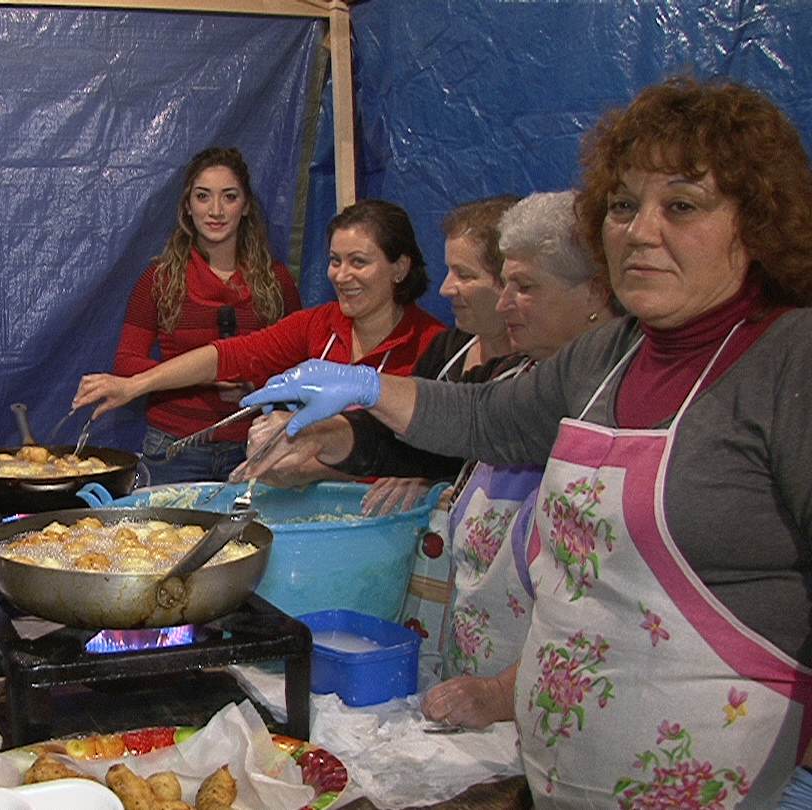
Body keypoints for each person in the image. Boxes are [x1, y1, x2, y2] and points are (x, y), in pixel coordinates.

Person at [241, 77, 812, 807]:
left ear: (757, 220)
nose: (640, 231)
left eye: (682, 205)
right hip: (563, 774)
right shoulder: (612, 355)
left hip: (722, 782)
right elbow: (485, 420)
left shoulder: (788, 359)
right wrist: (366, 391)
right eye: (623, 205)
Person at [248, 191, 619, 725]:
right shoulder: (518, 378)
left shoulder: (605, 392)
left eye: (524, 286)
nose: (504, 300)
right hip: (487, 660)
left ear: (596, 292)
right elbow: (460, 421)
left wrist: (501, 693)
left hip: (564, 693)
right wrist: (328, 436)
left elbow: (595, 601)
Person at [238, 195, 520, 513]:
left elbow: (477, 432)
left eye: (464, 275)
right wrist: (315, 437)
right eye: (335, 260)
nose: (446, 288)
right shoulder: (450, 351)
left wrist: (434, 479)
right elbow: (396, 442)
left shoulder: (537, 373)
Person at [74, 199, 447, 438]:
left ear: (399, 268)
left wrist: (415, 476)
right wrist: (132, 386)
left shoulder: (435, 343)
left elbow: (441, 441)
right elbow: (227, 355)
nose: (341, 275)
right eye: (335, 261)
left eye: (359, 262)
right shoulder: (317, 324)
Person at [108, 147, 301, 484]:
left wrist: (256, 384)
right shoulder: (159, 279)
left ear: (246, 206)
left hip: (256, 445)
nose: (215, 210)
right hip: (175, 448)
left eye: (229, 197)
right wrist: (206, 373)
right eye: (203, 197)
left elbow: (302, 367)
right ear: (187, 206)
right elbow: (126, 365)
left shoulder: (276, 280)